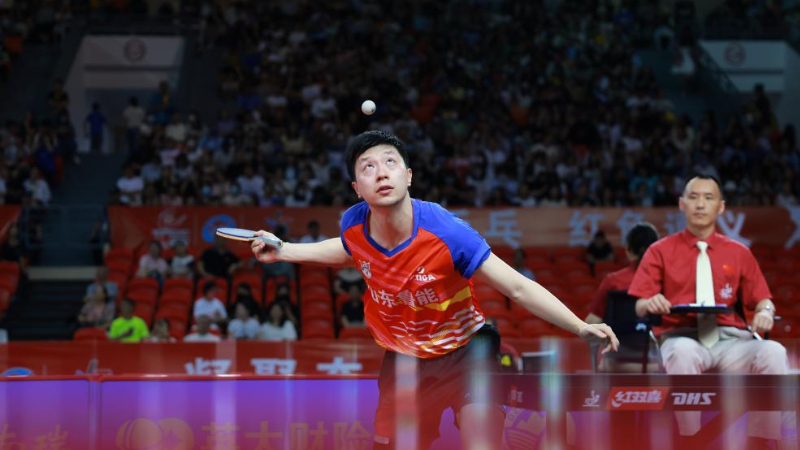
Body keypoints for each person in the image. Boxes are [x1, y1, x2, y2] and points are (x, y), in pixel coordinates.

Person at [251, 131, 618, 449]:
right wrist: (284, 250)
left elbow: (517, 287)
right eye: (368, 167)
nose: (381, 172)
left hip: (467, 351)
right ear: (357, 189)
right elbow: (348, 250)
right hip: (404, 358)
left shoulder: (447, 232)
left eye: (390, 162)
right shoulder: (354, 224)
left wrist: (579, 326)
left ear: (408, 176)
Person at [629, 175, 786, 445]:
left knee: (774, 352)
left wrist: (766, 312)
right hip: (682, 336)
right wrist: (650, 302)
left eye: (708, 198)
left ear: (721, 207)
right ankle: (690, 440)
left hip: (731, 342)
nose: (700, 204)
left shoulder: (739, 252)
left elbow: (763, 300)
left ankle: (762, 440)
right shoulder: (659, 251)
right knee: (682, 353)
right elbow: (639, 305)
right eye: (693, 197)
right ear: (682, 204)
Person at [585, 223, 660, 324]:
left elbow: (593, 320)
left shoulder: (613, 281)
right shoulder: (666, 280)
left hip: (618, 334)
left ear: (629, 250)